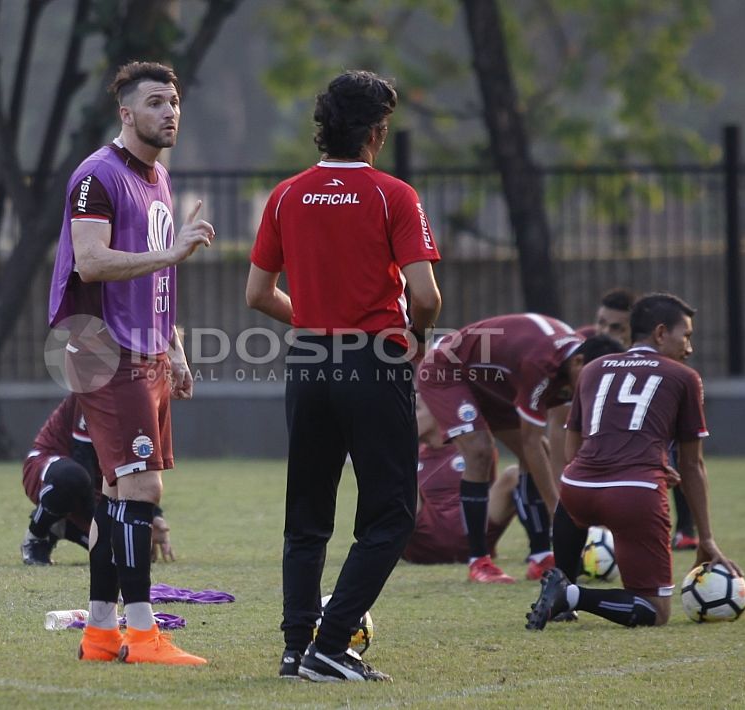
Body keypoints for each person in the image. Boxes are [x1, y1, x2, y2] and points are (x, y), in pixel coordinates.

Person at [246, 70, 441, 682]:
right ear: (377, 132)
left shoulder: (285, 195)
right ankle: (331, 646)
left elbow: (257, 294)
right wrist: (414, 336)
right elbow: (426, 294)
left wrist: (313, 321)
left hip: (306, 361)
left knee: (306, 514)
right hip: (373, 360)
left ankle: (295, 647)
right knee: (391, 515)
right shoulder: (393, 195)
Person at [47, 61, 213, 666]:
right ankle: (143, 637)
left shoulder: (159, 177)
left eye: (173, 101)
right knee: (142, 487)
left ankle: (98, 634)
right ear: (125, 113)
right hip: (103, 347)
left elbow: (157, 275)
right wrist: (171, 249)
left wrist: (175, 346)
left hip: (145, 348)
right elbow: (91, 262)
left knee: (119, 490)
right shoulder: (98, 175)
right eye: (153, 102)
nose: (169, 111)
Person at [526, 293, 743, 630]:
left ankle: (562, 579)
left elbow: (572, 451)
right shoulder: (685, 377)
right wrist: (706, 539)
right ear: (660, 333)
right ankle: (569, 596)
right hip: (635, 493)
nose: (689, 348)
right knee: (654, 610)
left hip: (577, 487)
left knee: (572, 498)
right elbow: (692, 466)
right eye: (685, 336)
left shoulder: (593, 368)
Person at [416, 314, 624, 584]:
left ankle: (540, 557)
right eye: (592, 380)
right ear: (578, 362)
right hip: (447, 370)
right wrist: (559, 512)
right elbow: (530, 440)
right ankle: (479, 562)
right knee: (480, 451)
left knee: (539, 452)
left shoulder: (576, 363)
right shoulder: (542, 363)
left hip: (493, 379)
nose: (593, 389)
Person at [577, 287, 699, 552]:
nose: (606, 333)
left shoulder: (667, 371)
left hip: (620, 478)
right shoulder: (589, 353)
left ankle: (686, 530)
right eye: (601, 323)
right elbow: (568, 431)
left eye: (616, 327)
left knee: (674, 451)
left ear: (634, 330)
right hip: (605, 479)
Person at [19, 394, 174, 566]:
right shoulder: (96, 388)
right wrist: (101, 527)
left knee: (126, 553)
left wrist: (151, 517)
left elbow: (138, 467)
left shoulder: (148, 394)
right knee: (73, 478)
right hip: (52, 464)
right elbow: (83, 458)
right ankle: (36, 535)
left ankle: (63, 527)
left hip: (98, 479)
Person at [402, 397, 468, 565]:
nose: (407, 415)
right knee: (400, 471)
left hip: (468, 534)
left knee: (512, 475)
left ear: (437, 411)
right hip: (421, 538)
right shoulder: (410, 457)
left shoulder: (474, 450)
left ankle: (539, 551)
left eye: (415, 409)